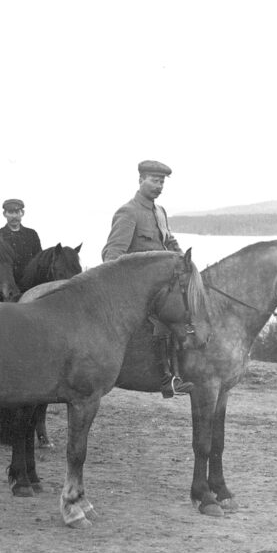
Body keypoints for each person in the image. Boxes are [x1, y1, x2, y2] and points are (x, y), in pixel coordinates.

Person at [101, 160, 191, 397]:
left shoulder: (159, 212)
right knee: (165, 318)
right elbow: (112, 255)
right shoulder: (128, 212)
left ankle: (186, 370)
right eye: (154, 180)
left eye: (161, 182)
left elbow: (169, 241)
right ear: (140, 180)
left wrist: (184, 262)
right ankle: (166, 379)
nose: (159, 186)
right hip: (138, 290)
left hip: (161, 286)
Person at [0, 198, 42, 287]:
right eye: (10, 212)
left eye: (17, 212)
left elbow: (39, 261)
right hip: (5, 287)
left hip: (29, 286)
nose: (14, 216)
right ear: (4, 214)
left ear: (22, 213)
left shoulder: (31, 235)